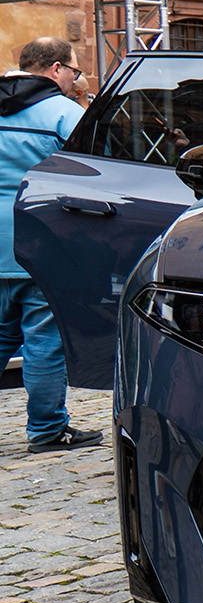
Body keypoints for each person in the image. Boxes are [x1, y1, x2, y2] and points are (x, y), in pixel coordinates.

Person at [1, 37, 95, 453]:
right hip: (40, 241)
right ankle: (46, 431)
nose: (76, 79)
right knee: (44, 339)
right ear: (56, 68)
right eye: (74, 72)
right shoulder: (63, 112)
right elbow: (93, 172)